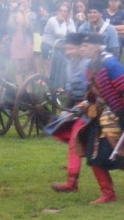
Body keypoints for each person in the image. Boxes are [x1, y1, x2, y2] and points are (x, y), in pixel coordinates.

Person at [69, 30, 124, 203]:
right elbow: (92, 92)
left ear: (96, 47)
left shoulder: (110, 64)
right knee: (94, 156)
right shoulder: (91, 65)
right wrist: (86, 103)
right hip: (100, 116)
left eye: (86, 45)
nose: (82, 48)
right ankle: (108, 194)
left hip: (117, 115)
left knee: (119, 155)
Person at [47, 32, 89, 193]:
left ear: (80, 48)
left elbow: (93, 90)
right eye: (66, 49)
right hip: (76, 108)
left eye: (71, 49)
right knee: (62, 132)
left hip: (91, 108)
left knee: (75, 141)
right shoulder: (69, 65)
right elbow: (72, 91)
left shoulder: (88, 65)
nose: (68, 52)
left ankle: (72, 183)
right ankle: (72, 181)